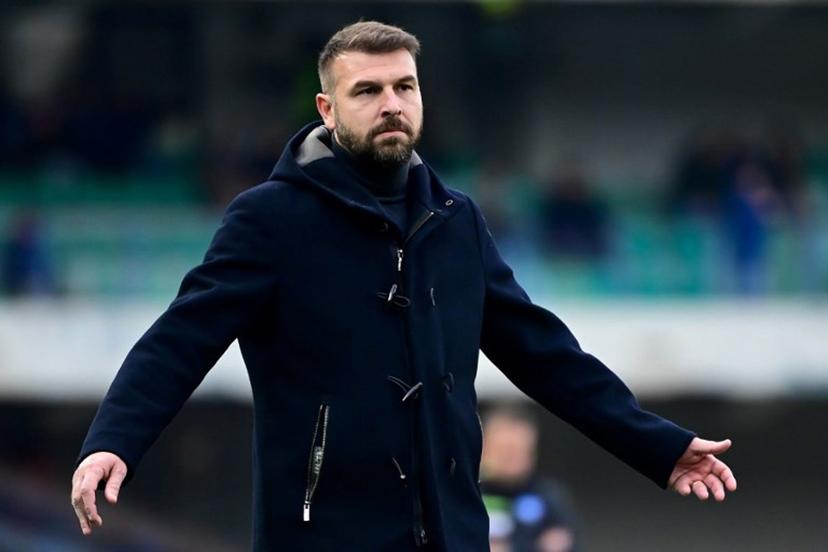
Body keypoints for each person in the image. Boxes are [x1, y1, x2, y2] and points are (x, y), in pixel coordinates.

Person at [71, 21, 737, 551]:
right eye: (368, 91)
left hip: (450, 534)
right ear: (328, 109)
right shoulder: (269, 219)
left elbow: (546, 355)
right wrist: (113, 438)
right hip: (323, 536)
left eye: (404, 87)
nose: (391, 103)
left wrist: (658, 444)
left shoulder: (456, 221)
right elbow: (182, 337)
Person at [480, 404, 579, 552]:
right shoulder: (466, 494)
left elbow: (565, 542)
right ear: (485, 448)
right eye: (506, 451)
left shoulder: (549, 497)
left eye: (522, 451)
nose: (513, 460)